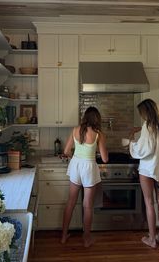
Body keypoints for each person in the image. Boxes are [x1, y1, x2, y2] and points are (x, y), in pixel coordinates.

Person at [61, 106, 108, 247]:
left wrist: (77, 154)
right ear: (97, 119)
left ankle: (63, 236)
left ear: (85, 117)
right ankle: (87, 239)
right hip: (89, 167)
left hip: (75, 165)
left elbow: (66, 151)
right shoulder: (99, 134)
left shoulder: (76, 130)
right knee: (88, 206)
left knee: (70, 202)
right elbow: (105, 159)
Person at [129, 98, 159, 249]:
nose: (142, 116)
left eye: (141, 113)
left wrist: (132, 140)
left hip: (147, 169)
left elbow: (144, 149)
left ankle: (152, 239)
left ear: (145, 111)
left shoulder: (148, 125)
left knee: (149, 203)